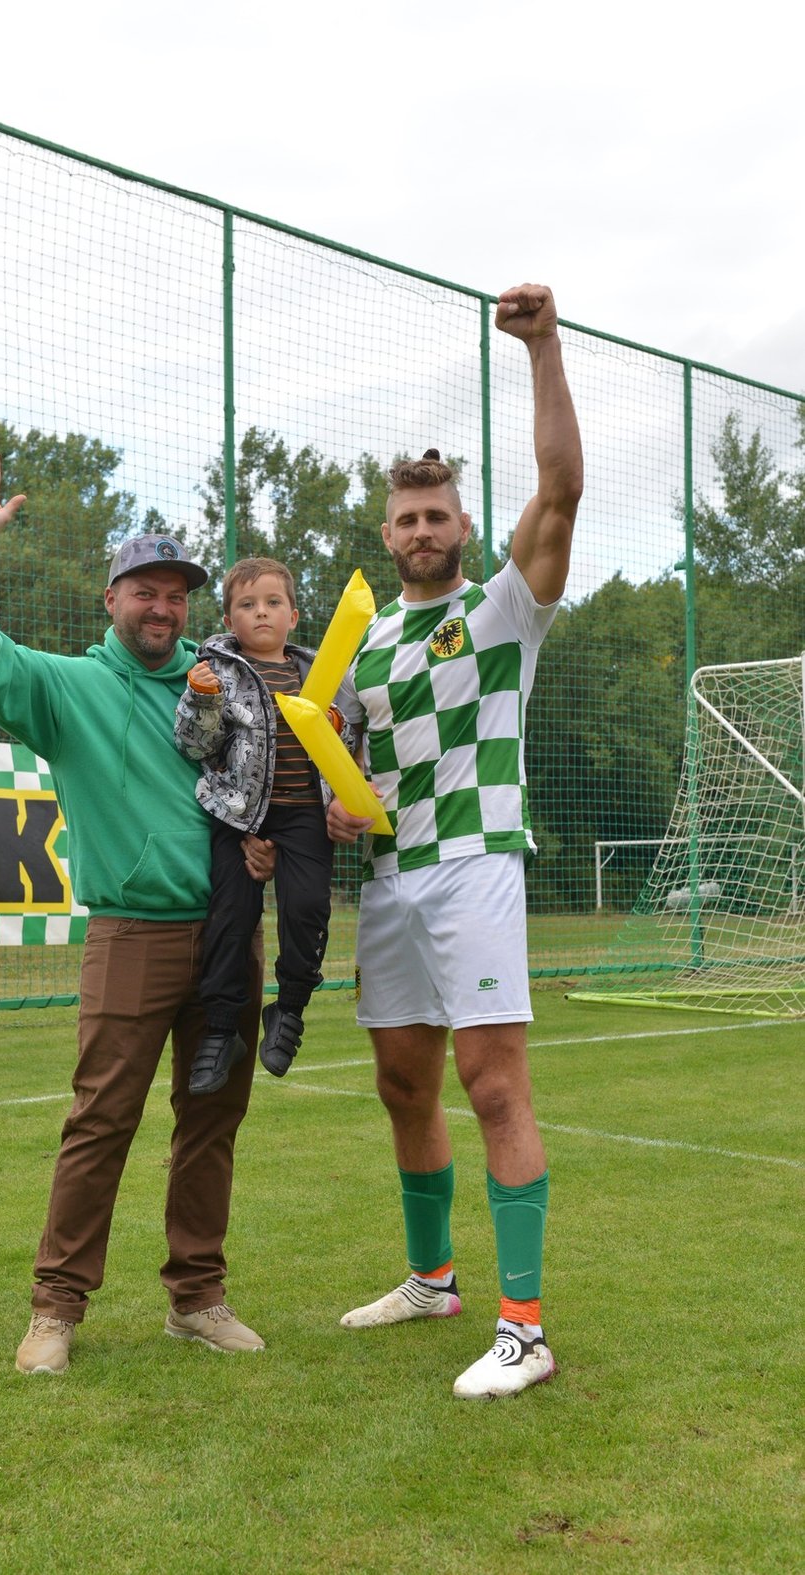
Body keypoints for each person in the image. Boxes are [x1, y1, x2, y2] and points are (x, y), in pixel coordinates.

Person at [0, 447, 275, 1373]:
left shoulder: (224, 687)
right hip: (130, 933)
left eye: (175, 594)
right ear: (111, 599)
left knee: (210, 1122)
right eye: (144, 591)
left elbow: (273, 785)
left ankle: (196, 1297)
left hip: (226, 937)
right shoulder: (70, 688)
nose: (161, 607)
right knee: (102, 1123)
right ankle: (55, 1310)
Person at [327, 283, 583, 1400]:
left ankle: (524, 1328)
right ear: (386, 535)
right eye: (407, 518)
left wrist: (541, 345)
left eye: (439, 515)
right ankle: (434, 1280)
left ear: (463, 528)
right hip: (391, 880)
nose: (423, 530)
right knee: (400, 1081)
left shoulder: (502, 607)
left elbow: (563, 486)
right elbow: (356, 774)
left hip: (478, 863)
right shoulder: (367, 644)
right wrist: (345, 806)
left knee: (492, 1086)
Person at [173, 557, 357, 1095]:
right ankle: (221, 1030)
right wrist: (201, 699)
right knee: (230, 920)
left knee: (307, 911)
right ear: (229, 618)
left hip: (306, 816)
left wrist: (340, 733)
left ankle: (291, 1009)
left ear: (294, 615)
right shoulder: (216, 671)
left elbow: (344, 745)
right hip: (238, 814)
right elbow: (195, 747)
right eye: (247, 605)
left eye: (273, 603)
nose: (261, 614)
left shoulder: (321, 675)